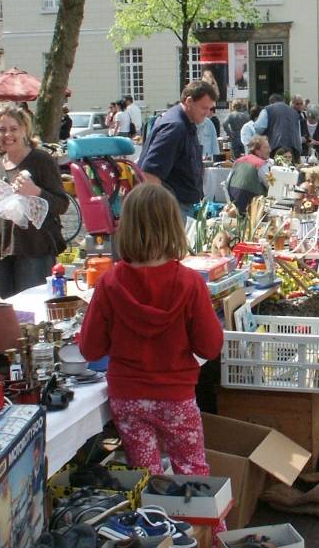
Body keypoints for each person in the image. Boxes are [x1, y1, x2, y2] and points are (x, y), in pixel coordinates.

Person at [78, 184, 224, 478]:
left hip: (127, 396)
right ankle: (204, 524)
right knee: (192, 472)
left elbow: (90, 349)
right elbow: (209, 347)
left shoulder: (109, 283)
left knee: (147, 478)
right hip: (175, 395)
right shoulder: (189, 282)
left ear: (126, 227)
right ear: (173, 226)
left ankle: (154, 521)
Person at [0, 102, 70, 297]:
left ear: (24, 129)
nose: (7, 135)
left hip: (34, 250)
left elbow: (61, 204)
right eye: (1, 129)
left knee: (31, 314)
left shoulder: (41, 160)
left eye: (13, 129)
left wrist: (35, 191)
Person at [137, 80, 218, 218]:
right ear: (189, 101)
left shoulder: (184, 123)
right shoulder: (176, 126)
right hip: (171, 208)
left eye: (210, 109)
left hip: (179, 204)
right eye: (204, 108)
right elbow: (150, 173)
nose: (208, 113)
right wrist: (163, 215)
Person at [226, 135, 272, 214]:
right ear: (257, 151)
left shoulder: (238, 161)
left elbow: (228, 182)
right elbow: (270, 185)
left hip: (233, 200)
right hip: (250, 204)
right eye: (265, 148)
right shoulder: (260, 164)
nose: (269, 150)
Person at [254, 93, 302, 163]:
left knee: (277, 170)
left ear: (270, 102)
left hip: (276, 147)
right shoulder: (294, 112)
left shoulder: (267, 109)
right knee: (291, 171)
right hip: (294, 147)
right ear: (283, 101)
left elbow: (258, 128)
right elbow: (298, 133)